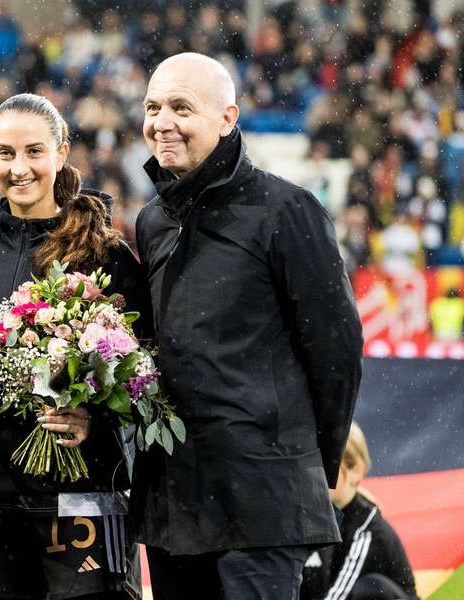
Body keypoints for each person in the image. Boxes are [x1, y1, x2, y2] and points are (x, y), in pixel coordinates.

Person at [132, 53, 364, 599]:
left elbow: (337, 349)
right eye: (153, 107)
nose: (162, 122)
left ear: (228, 118)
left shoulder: (287, 209)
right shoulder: (152, 220)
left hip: (263, 503)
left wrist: (304, 466)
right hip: (174, 505)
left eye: (181, 108)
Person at [0, 93, 151, 600]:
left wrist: (96, 415)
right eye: (4, 153)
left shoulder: (107, 254)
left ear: (62, 152)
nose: (19, 168)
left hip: (87, 499)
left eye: (33, 152)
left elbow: (148, 372)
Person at [301, 423, 418, 600]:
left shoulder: (370, 531)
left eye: (324, 465)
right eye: (309, 463)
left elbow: (337, 597)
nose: (313, 474)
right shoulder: (309, 520)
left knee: (372, 587)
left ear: (356, 471)